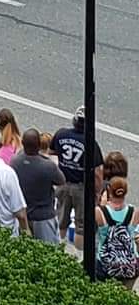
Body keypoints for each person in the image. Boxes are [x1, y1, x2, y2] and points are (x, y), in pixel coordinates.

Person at [51, 105, 104, 250]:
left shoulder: (61, 134)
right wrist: (98, 192)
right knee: (81, 225)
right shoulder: (91, 143)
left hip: (62, 183)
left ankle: (59, 250)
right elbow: (98, 173)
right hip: (81, 187)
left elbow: (51, 152)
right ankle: (79, 255)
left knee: (61, 219)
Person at [10, 128, 66, 244]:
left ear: (23, 143)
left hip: (23, 214)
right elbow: (61, 180)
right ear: (39, 145)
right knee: (49, 251)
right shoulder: (47, 166)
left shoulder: (15, 161)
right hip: (43, 216)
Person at [95, 177, 139, 287]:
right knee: (126, 297)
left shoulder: (99, 212)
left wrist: (103, 203)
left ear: (109, 191)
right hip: (130, 264)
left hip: (105, 264)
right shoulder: (134, 211)